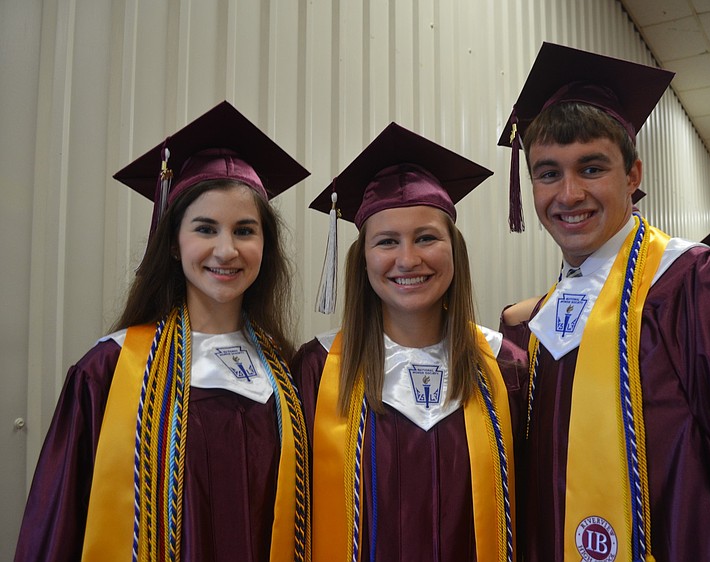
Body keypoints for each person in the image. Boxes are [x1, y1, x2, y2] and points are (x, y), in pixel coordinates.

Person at [497, 43, 710, 562]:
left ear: (633, 176)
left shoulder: (705, 287)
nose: (568, 194)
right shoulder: (543, 319)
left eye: (591, 168)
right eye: (548, 173)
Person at [14, 101, 312, 561]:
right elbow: (59, 525)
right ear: (173, 244)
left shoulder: (286, 373)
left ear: (264, 245)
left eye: (245, 230)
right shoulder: (110, 370)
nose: (226, 250)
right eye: (205, 229)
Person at [293, 122, 527, 561]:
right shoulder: (316, 370)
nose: (408, 259)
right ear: (363, 260)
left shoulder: (506, 368)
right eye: (387, 242)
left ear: (454, 250)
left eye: (426, 238)